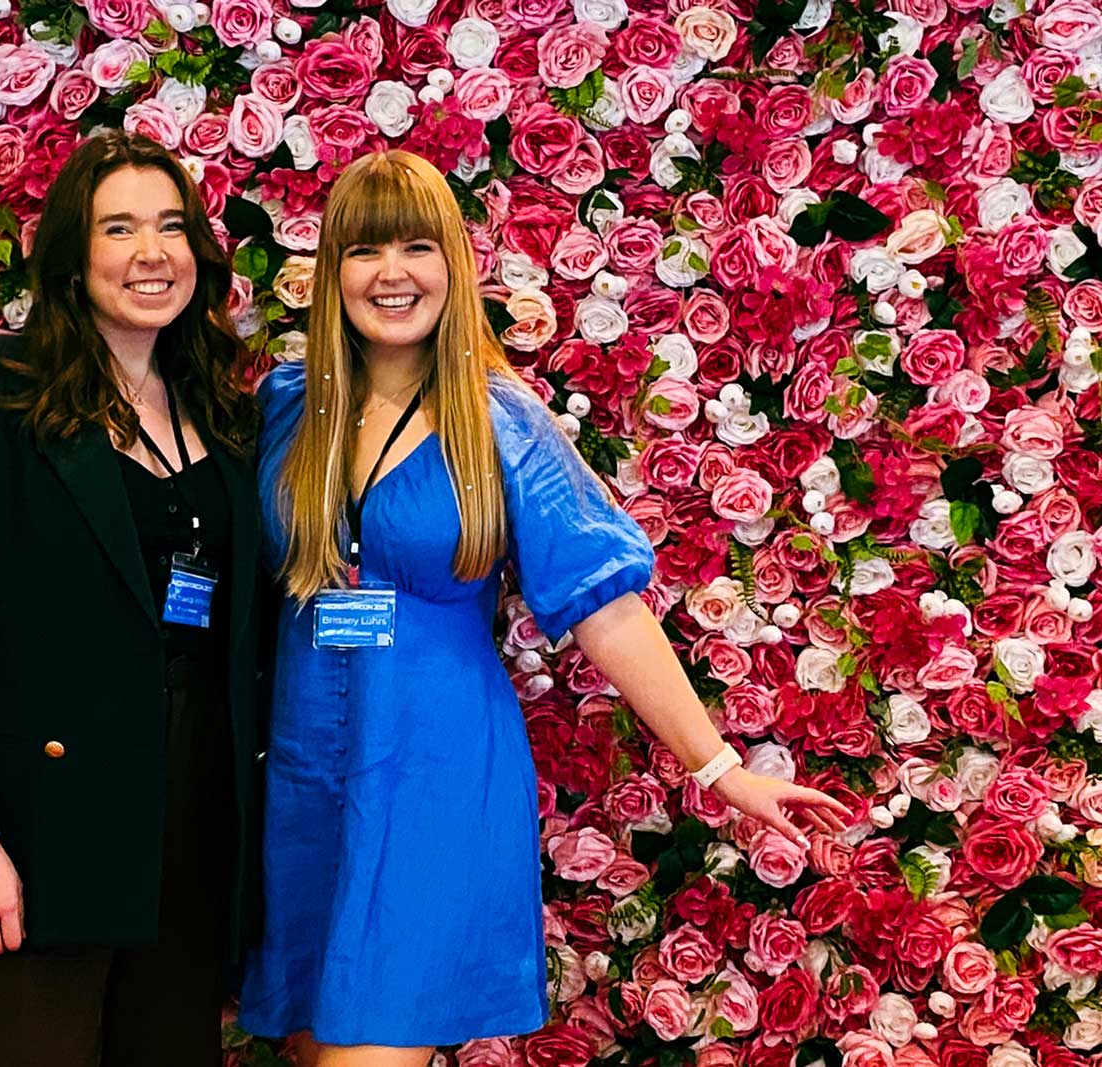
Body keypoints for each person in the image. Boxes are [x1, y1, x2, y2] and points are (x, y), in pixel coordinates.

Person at [237, 150, 852, 1065]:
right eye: (366, 251)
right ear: (332, 271)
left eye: (416, 247)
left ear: (453, 263)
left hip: (434, 771)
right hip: (301, 772)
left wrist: (721, 767)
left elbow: (607, 607)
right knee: (308, 1043)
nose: (392, 274)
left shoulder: (499, 419)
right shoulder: (287, 406)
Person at [0, 129, 265, 1066]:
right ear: (70, 254)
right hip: (40, 829)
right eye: (119, 228)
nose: (152, 254)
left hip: (190, 821)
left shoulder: (220, 409)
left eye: (172, 227)